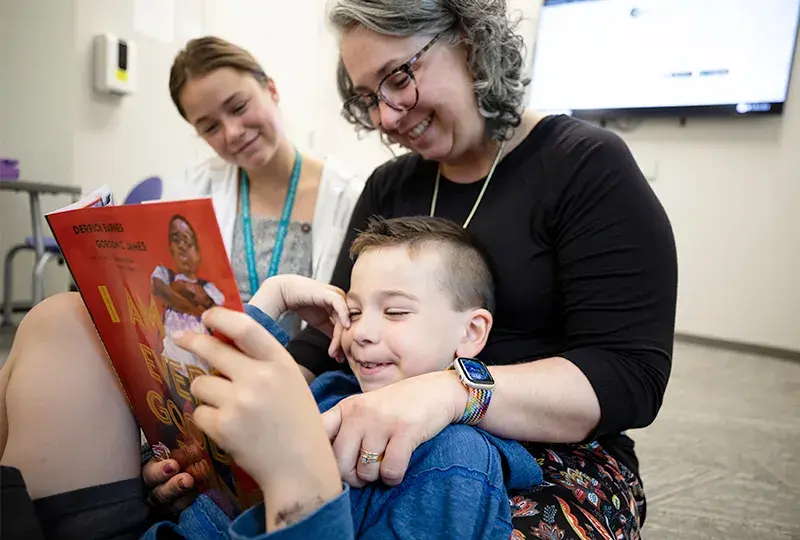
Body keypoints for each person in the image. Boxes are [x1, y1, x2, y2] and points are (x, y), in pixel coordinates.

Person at [277, 0, 678, 538]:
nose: (387, 117)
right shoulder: (389, 187)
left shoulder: (585, 167)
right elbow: (328, 333)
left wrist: (451, 392)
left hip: (557, 458)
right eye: (369, 98)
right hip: (389, 430)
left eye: (398, 77)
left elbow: (627, 375)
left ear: (470, 41)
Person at [0, 216, 542, 540]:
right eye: (352, 312)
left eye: (395, 313)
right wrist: (274, 298)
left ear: (471, 333)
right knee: (57, 317)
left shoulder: (457, 461)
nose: (362, 334)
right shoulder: (329, 390)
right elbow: (207, 394)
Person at [164, 35, 365, 339]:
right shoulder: (191, 191)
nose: (232, 132)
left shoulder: (346, 196)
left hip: (307, 375)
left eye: (239, 107)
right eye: (210, 127)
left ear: (271, 89)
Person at [151, 214, 226, 375]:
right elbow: (161, 290)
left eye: (188, 240)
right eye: (176, 239)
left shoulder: (209, 287)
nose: (182, 246)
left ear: (199, 252)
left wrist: (182, 293)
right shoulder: (164, 274)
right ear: (170, 247)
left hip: (200, 363)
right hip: (171, 361)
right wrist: (195, 299)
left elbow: (216, 314)